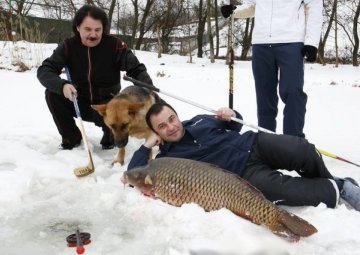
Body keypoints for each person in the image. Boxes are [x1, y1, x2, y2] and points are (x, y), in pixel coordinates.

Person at [128, 102, 360, 212]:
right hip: (243, 175)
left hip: (254, 144)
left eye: (172, 119)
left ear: (177, 116)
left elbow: (236, 123)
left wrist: (231, 113)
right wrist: (147, 144)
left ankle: (329, 178)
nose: (170, 127)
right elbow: (132, 175)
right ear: (156, 132)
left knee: (301, 150)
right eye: (162, 126)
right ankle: (341, 188)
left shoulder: (199, 120)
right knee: (286, 191)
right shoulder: (167, 159)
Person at [37, 5, 153, 150]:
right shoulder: (68, 46)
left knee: (113, 132)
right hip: (78, 102)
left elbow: (136, 69)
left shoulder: (115, 45)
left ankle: (110, 135)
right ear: (78, 27)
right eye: (88, 29)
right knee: (52, 94)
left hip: (108, 106)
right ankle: (71, 137)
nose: (93, 35)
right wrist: (62, 85)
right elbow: (44, 70)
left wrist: (148, 89)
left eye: (97, 30)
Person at [220, 1, 323, 138]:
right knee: (264, 95)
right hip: (261, 43)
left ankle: (293, 141)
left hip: (291, 41)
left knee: (293, 91)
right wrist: (235, 10)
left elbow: (314, 7)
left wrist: (312, 42)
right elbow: (253, 5)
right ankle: (266, 140)